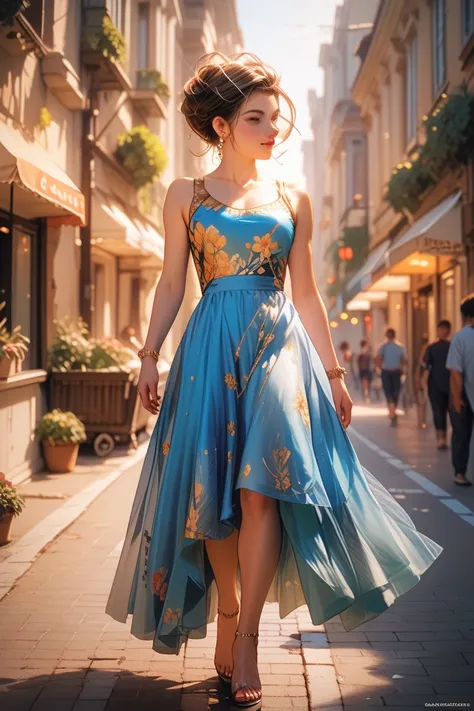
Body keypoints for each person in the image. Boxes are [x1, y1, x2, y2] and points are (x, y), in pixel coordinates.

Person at [105, 52, 442, 710]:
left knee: (263, 488)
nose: (271, 128)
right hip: (210, 349)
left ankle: (251, 634)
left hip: (277, 348)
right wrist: (148, 353)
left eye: (275, 117)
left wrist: (337, 373)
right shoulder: (187, 194)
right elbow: (174, 281)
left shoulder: (294, 197)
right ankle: (228, 611)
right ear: (223, 125)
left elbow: (309, 295)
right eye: (256, 117)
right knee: (216, 496)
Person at [446, 294, 474, 487]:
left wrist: (456, 399)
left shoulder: (460, 338)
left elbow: (456, 373)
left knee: (462, 435)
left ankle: (460, 473)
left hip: (466, 395)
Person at [422, 321, 452, 450]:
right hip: (442, 384)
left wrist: (423, 383)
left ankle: (442, 438)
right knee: (441, 412)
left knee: (440, 411)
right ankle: (442, 438)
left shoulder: (433, 347)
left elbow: (425, 366)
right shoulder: (437, 347)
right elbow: (426, 368)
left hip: (441, 384)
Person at [375, 328, 408, 426]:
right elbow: (404, 360)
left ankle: (392, 412)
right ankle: (392, 412)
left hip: (389, 372)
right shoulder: (398, 347)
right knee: (394, 392)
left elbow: (378, 358)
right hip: (395, 372)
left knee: (390, 392)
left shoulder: (385, 346)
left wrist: (380, 368)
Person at [415, 335, 429, 430]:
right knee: (422, 400)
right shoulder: (427, 348)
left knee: (422, 401)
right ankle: (421, 421)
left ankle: (421, 421)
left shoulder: (426, 349)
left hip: (423, 376)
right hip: (424, 377)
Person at [357, 339, 373, 404]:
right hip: (365, 370)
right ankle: (366, 397)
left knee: (366, 385)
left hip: (365, 370)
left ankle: (367, 397)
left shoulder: (363, 352)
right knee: (366, 384)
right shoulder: (364, 353)